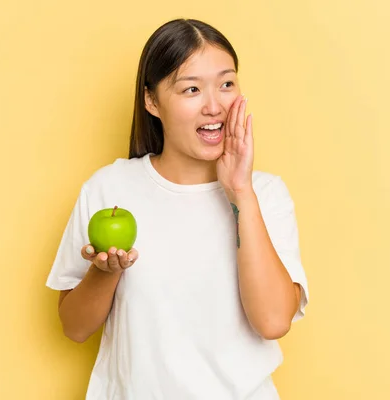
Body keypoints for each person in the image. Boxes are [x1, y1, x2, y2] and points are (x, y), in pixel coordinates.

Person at [46, 18, 309, 400]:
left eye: (227, 84)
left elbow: (272, 321)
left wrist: (240, 190)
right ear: (152, 101)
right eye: (191, 89)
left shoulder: (265, 194)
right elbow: (74, 328)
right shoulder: (110, 188)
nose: (214, 105)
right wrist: (106, 273)